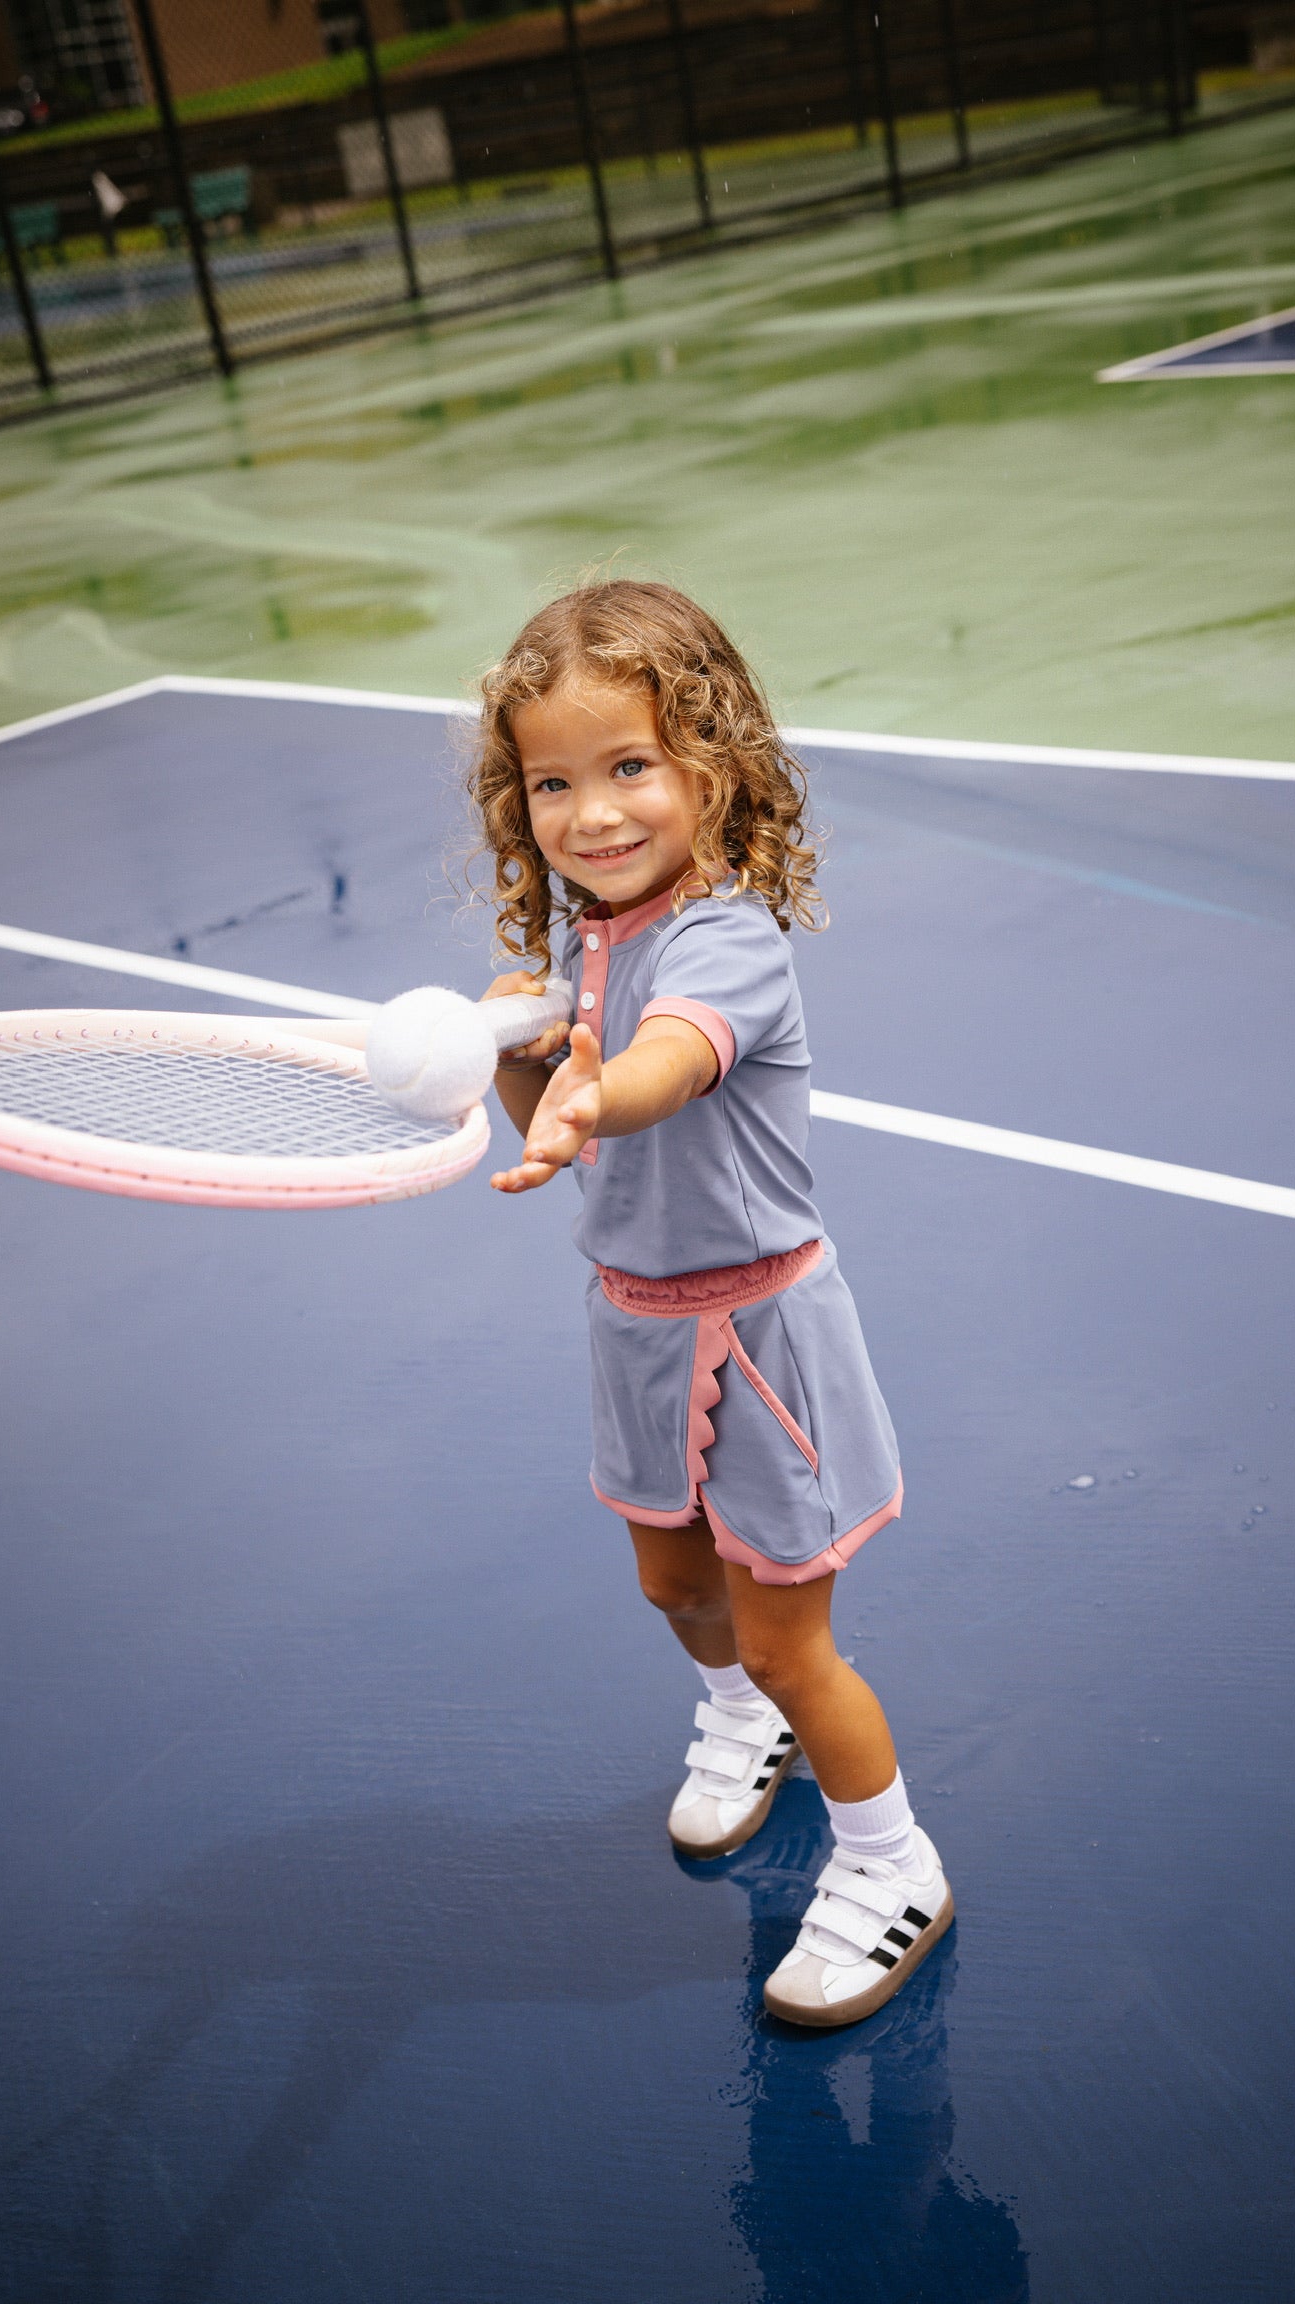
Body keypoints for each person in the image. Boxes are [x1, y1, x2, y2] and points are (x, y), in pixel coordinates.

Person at [470, 580, 951, 2027]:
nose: (593, 813)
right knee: (674, 1589)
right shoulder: (590, 954)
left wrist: (591, 1087)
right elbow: (563, 1128)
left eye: (631, 767)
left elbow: (667, 1069)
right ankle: (740, 1721)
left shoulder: (725, 937)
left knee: (792, 1639)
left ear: (712, 767)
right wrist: (515, 1060)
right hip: (634, 1325)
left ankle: (892, 1865)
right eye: (554, 781)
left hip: (761, 1340)